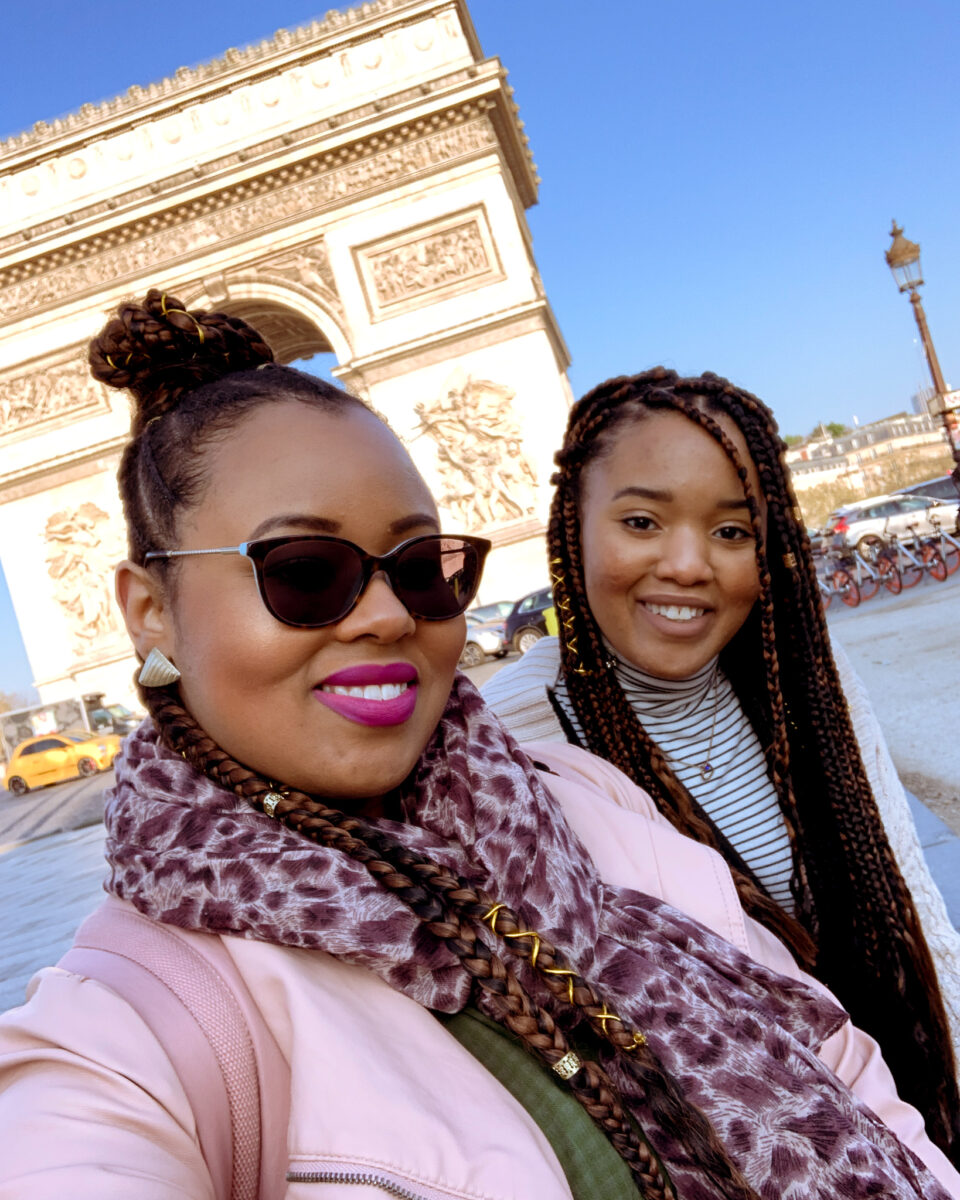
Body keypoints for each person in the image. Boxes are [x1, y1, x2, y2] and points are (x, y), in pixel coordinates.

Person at [0, 296, 958, 1200]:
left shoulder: (588, 798)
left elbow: (834, 1059)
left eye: (422, 569)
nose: (383, 615)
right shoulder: (128, 1041)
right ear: (146, 610)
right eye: (302, 571)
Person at [483, 366, 960, 1165]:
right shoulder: (514, 732)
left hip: (903, 1107)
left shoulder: (807, 676)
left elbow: (907, 895)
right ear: (571, 523)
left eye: (732, 531)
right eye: (641, 521)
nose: (687, 564)